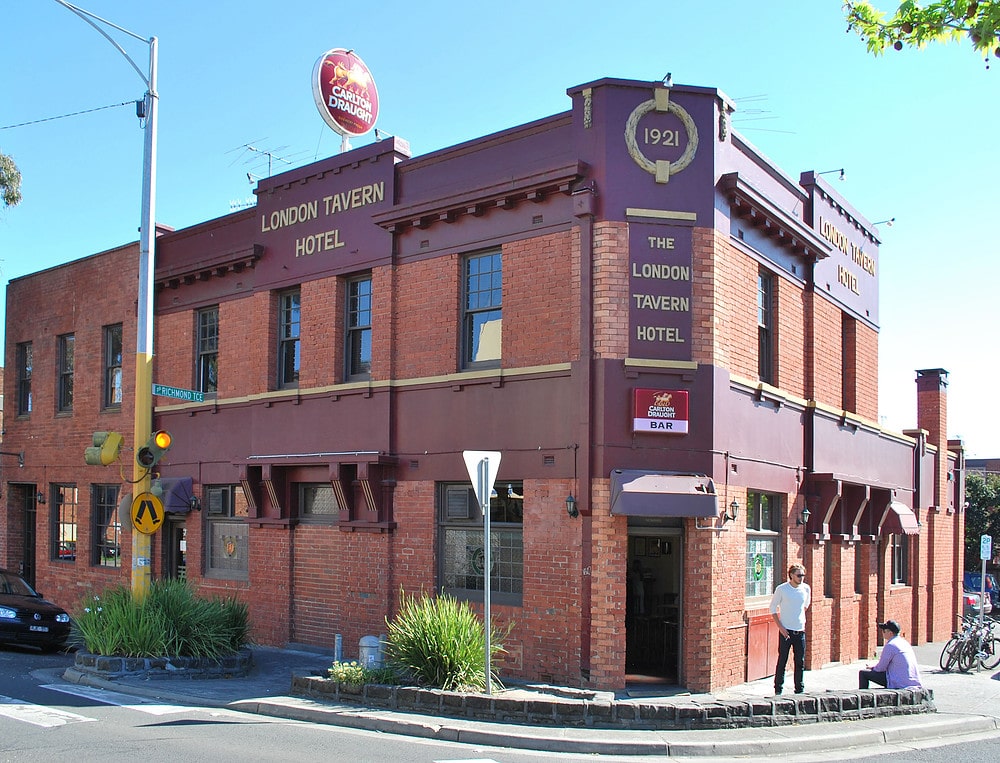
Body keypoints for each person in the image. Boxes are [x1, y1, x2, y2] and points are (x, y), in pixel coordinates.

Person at [769, 563, 811, 694]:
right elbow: (773, 608)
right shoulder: (782, 589)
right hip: (786, 631)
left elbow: (805, 606)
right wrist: (781, 627)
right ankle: (778, 689)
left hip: (800, 630)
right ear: (791, 575)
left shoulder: (806, 589)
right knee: (782, 660)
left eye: (803, 575)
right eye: (799, 575)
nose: (801, 578)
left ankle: (799, 689)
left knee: (800, 661)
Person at [858, 620, 922, 689]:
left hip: (899, 683)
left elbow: (881, 668)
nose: (882, 633)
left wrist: (872, 668)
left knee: (863, 673)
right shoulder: (904, 643)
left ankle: (863, 697)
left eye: (884, 631)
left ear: (890, 633)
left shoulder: (890, 645)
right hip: (912, 682)